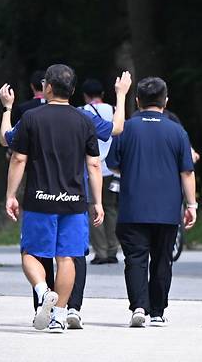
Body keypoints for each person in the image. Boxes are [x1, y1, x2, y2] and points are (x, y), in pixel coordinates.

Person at [0, 71, 131, 329]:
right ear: (72, 90)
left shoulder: (31, 117)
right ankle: (59, 315)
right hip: (74, 200)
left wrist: (7, 109)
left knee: (31, 254)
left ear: (47, 88)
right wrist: (98, 202)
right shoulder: (84, 119)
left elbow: (13, 149)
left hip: (39, 199)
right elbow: (97, 158)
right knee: (67, 257)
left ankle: (42, 290)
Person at [106, 76, 197, 328]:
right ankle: (157, 311)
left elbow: (113, 165)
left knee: (135, 258)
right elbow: (187, 172)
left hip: (133, 206)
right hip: (167, 208)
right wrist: (191, 205)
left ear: (137, 101)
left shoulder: (126, 128)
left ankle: (138, 307)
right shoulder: (177, 131)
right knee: (162, 259)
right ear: (165, 102)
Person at [81, 78, 119, 265]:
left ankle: (101, 251)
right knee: (111, 209)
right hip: (112, 169)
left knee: (94, 209)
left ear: (85, 95)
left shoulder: (85, 112)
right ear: (102, 94)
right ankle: (113, 249)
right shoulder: (113, 109)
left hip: (92, 167)